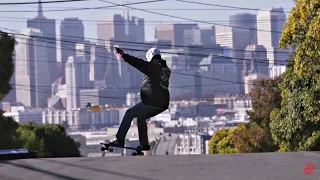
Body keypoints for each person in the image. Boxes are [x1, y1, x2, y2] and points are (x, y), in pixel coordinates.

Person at [109, 47, 171, 151]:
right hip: (163, 104)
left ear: (150, 57)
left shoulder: (152, 67)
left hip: (152, 101)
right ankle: (144, 145)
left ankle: (119, 140)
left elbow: (137, 62)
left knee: (129, 113)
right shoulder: (166, 70)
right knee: (141, 118)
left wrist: (124, 55)